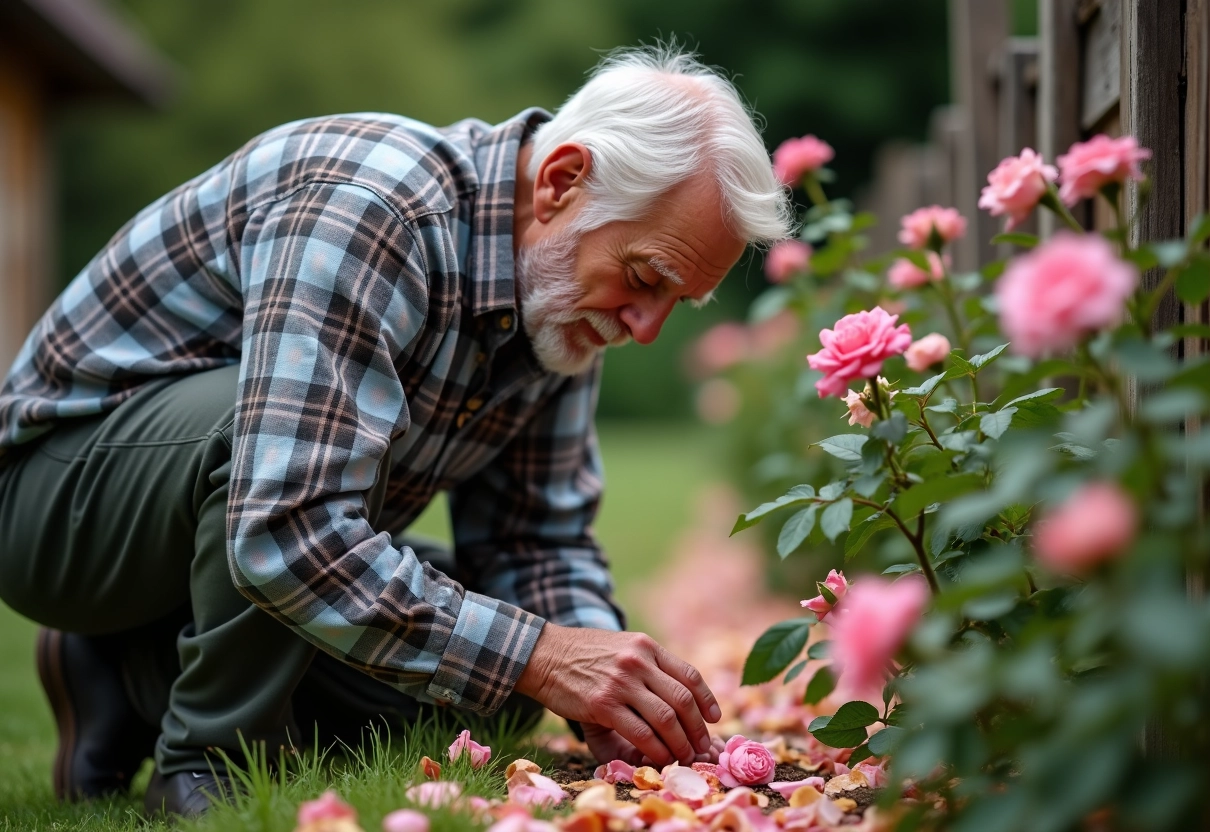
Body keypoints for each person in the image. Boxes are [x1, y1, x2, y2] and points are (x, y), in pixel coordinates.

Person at [0, 45, 792, 817]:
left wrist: (602, 680)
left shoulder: (565, 297)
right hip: (55, 506)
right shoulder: (374, 209)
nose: (645, 328)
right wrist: (542, 653)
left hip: (242, 532)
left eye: (675, 302)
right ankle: (211, 761)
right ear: (562, 181)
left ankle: (128, 670)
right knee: (290, 462)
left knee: (498, 697)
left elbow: (532, 539)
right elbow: (291, 521)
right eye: (646, 277)